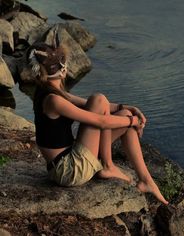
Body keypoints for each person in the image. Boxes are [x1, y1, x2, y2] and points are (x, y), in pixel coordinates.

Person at [28, 41, 169, 206]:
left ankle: (146, 181)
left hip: (70, 161)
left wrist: (128, 109)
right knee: (101, 100)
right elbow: (101, 121)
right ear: (62, 68)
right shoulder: (53, 100)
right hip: (68, 170)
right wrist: (133, 121)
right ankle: (108, 166)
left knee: (119, 112)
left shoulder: (51, 92)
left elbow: (88, 104)